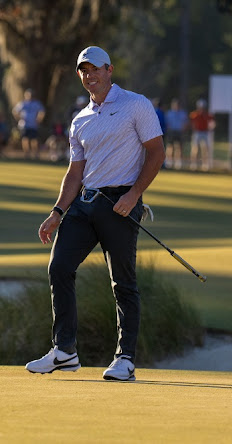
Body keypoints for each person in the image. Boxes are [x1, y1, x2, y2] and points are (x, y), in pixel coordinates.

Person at [25, 46, 165, 382]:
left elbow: (156, 153)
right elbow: (75, 172)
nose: (91, 76)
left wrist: (134, 196)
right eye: (84, 71)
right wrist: (57, 211)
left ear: (109, 70)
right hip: (83, 205)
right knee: (59, 267)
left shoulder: (136, 104)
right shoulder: (80, 118)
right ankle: (65, 351)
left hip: (120, 203)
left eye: (96, 69)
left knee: (123, 283)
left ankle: (126, 358)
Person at [12, 88, 46, 159]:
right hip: (24, 125)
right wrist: (19, 118)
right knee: (25, 139)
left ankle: (36, 154)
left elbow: (42, 111)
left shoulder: (36, 103)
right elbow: (15, 111)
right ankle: (27, 154)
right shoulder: (23, 103)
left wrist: (39, 119)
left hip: (33, 125)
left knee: (34, 139)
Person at [188, 98, 216, 171]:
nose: (202, 109)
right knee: (195, 149)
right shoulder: (194, 114)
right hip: (197, 132)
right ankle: (193, 164)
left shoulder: (207, 114)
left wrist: (211, 128)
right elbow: (191, 123)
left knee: (205, 149)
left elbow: (213, 123)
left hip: (205, 132)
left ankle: (205, 164)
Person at [164, 98, 188, 169]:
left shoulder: (182, 113)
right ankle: (169, 162)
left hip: (179, 131)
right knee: (170, 147)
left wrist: (184, 129)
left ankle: (178, 163)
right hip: (172, 131)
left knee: (179, 148)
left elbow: (185, 123)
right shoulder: (169, 113)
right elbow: (167, 123)